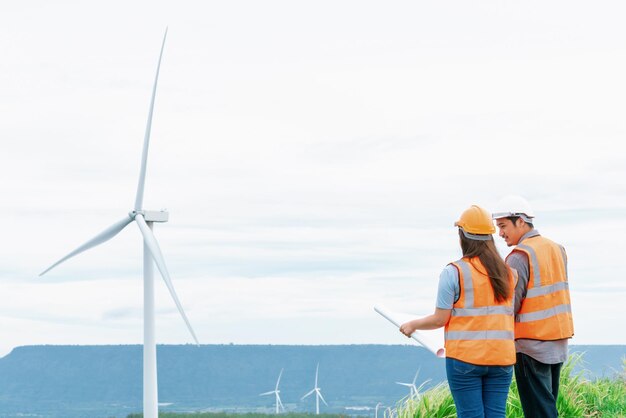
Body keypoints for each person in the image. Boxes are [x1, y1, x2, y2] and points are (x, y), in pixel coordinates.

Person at [400, 205, 516, 418]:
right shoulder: (509, 274)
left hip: (465, 360)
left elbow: (439, 319)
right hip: (502, 358)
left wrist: (412, 324)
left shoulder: (454, 272)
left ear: (462, 235)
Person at [492, 195, 574, 418]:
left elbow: (510, 306)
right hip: (557, 342)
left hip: (531, 346)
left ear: (520, 221)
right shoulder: (557, 249)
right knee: (548, 406)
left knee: (539, 412)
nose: (500, 233)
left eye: (503, 226)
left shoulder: (519, 256)